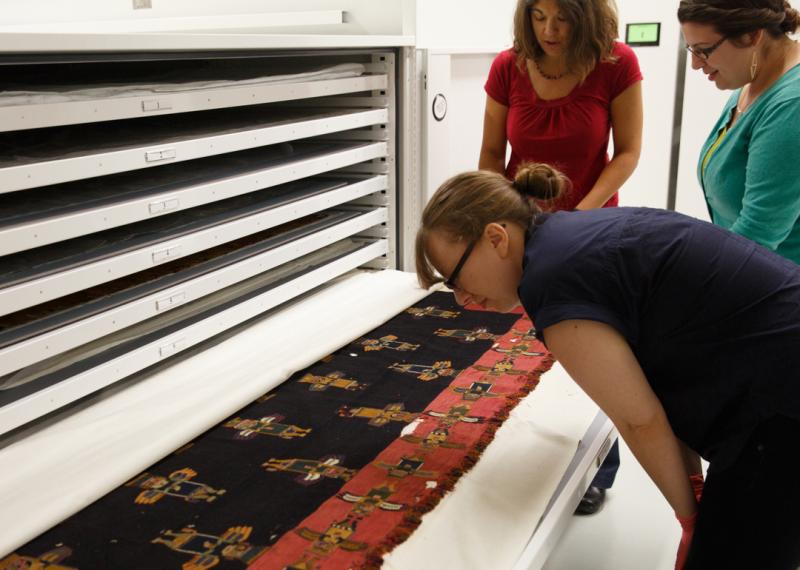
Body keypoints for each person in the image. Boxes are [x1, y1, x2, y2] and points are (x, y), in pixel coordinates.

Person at [415, 163, 800, 570]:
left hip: (783, 398)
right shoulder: (567, 237)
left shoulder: (552, 282)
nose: (460, 300)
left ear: (496, 238)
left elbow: (640, 420)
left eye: (455, 278)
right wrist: (695, 496)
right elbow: (656, 391)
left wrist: (691, 521)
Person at [479, 0, 644, 513]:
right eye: (539, 15)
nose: (549, 29)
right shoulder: (508, 66)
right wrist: (496, 214)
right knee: (526, 351)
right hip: (522, 231)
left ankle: (599, 467)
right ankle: (524, 452)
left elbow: (628, 152)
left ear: (588, 15)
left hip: (590, 230)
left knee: (595, 351)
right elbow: (490, 153)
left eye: (564, 17)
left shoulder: (617, 64)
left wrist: (580, 213)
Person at [679, 0, 800, 263]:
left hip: (780, 289)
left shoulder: (792, 103)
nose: (695, 65)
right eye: (690, 49)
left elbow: (757, 235)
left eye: (704, 50)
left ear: (752, 35)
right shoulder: (753, 82)